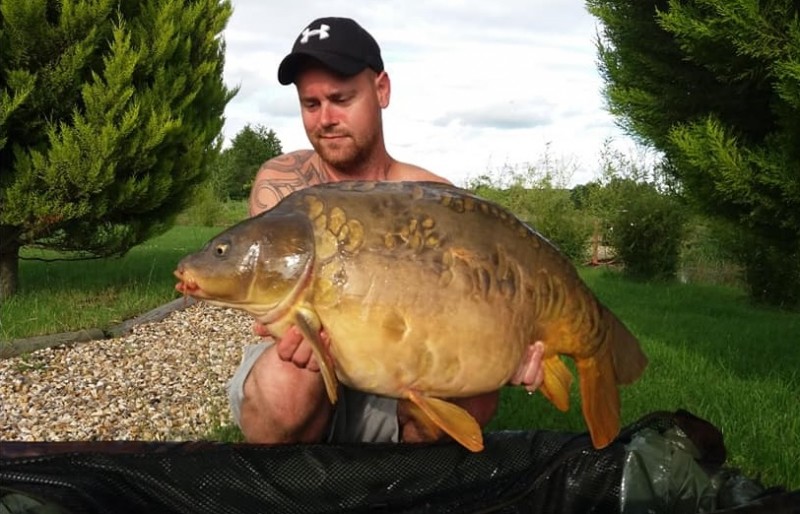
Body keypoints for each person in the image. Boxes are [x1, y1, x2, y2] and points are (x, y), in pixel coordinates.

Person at [227, 16, 545, 446]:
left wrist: (508, 352)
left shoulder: (434, 196)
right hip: (307, 371)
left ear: (381, 90)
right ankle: (294, 480)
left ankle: (408, 478)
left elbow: (469, 309)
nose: (325, 119)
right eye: (311, 104)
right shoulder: (283, 182)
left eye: (341, 99)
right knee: (288, 383)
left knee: (474, 393)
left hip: (398, 375)